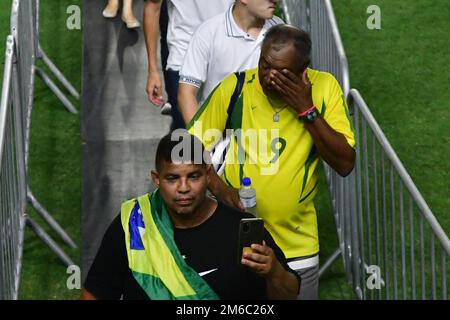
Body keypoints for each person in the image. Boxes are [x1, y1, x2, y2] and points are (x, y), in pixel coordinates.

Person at [187, 24, 356, 299]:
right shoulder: (236, 88)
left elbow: (345, 163)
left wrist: (307, 109)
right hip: (236, 244)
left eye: (281, 72)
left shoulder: (324, 88)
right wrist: (218, 188)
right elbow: (186, 148)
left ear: (303, 70)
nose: (268, 77)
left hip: (297, 248)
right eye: (264, 64)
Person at [80, 132, 299, 300]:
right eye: (173, 178)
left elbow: (290, 294)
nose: (184, 188)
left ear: (208, 175)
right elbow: (94, 294)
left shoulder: (239, 228)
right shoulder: (134, 223)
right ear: (157, 179)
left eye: (193, 176)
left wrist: (274, 272)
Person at [178, 0, 283, 124]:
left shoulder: (280, 29)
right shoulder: (208, 33)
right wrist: (201, 139)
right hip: (220, 138)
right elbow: (186, 93)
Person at [144, 0, 233, 130]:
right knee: (186, 135)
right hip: (182, 58)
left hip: (225, 57)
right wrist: (152, 70)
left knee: (226, 135)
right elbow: (152, 7)